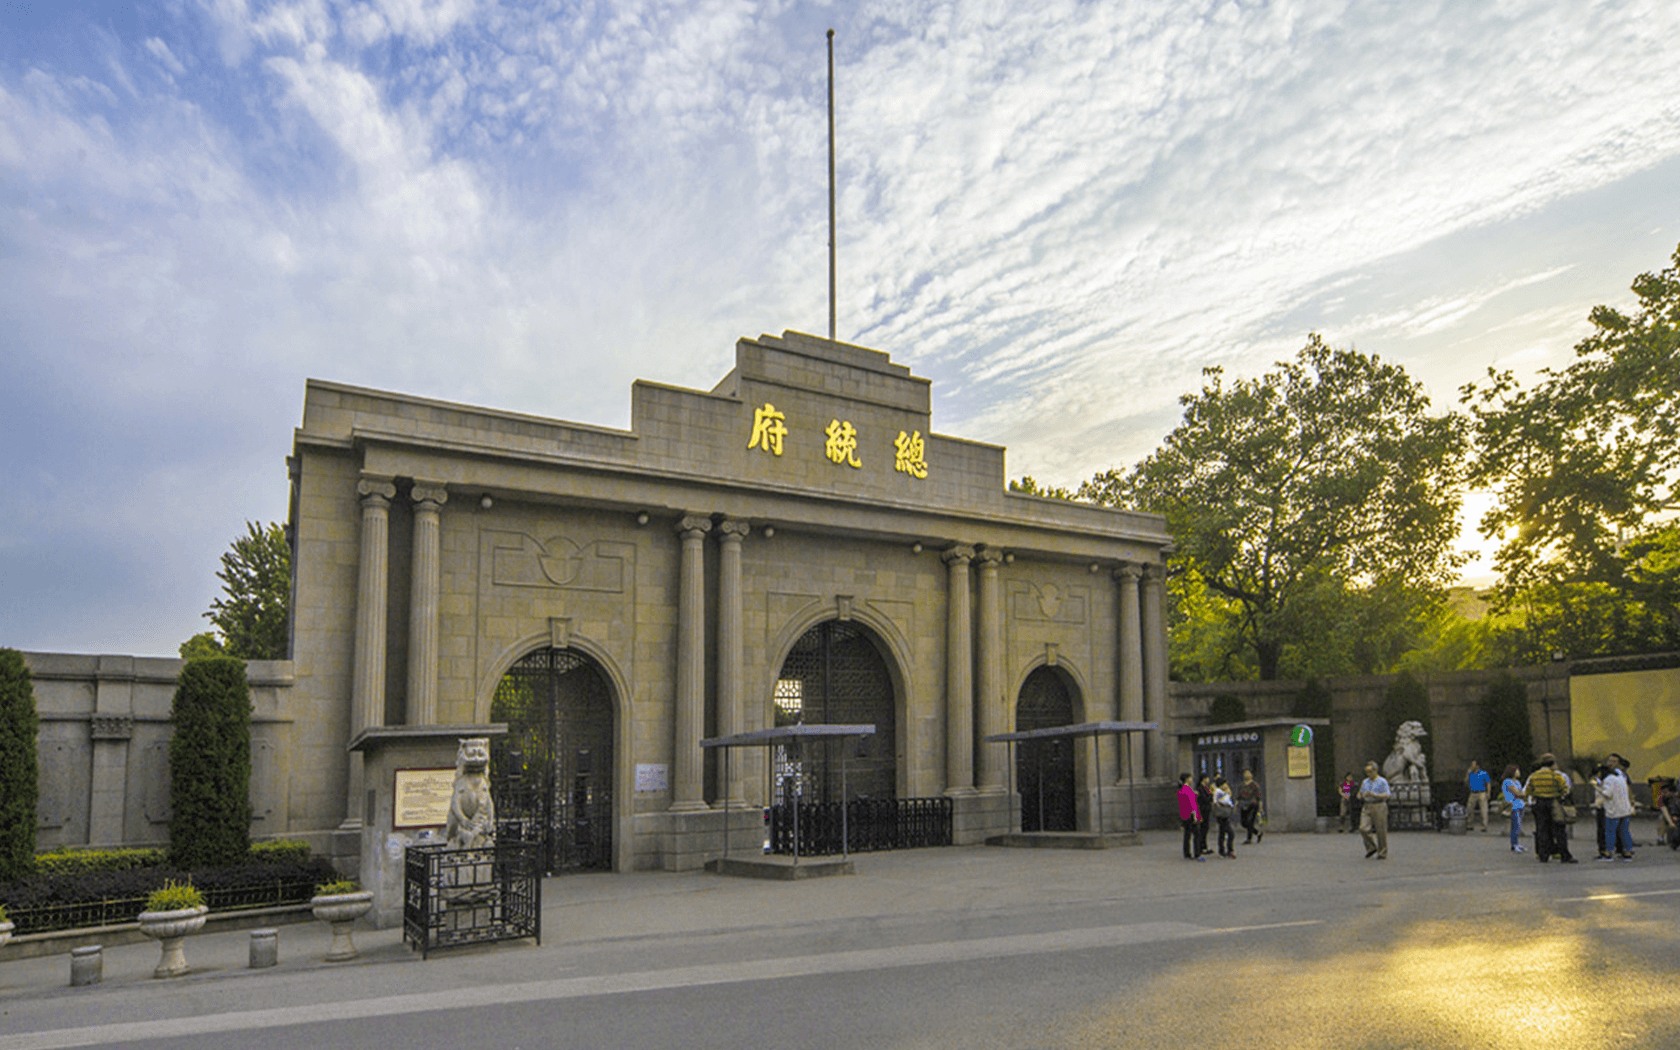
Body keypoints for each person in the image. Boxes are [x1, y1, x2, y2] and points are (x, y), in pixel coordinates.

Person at [1523, 753, 1577, 864]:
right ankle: (1564, 854)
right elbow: (1565, 790)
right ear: (1552, 764)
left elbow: (1528, 791)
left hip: (1539, 803)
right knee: (1559, 829)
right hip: (1554, 802)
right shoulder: (1556, 776)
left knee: (1542, 829)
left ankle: (1543, 855)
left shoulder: (1534, 776)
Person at [1596, 762, 1635, 861]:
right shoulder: (1620, 778)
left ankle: (1609, 853)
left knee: (1610, 831)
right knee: (1624, 831)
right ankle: (1628, 852)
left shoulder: (1609, 780)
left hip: (1614, 810)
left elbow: (1608, 794)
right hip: (1625, 809)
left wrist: (1598, 788)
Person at [1358, 760, 1392, 860]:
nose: (1368, 774)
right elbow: (1360, 792)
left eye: (1370, 771)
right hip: (1367, 805)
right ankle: (1371, 847)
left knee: (1380, 829)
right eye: (1366, 772)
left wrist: (1374, 795)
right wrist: (1360, 795)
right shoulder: (1365, 781)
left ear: (1375, 770)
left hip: (1379, 804)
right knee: (1363, 828)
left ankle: (1382, 852)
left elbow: (1387, 794)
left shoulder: (1382, 781)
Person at [1177, 773, 1204, 861]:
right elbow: (1192, 804)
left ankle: (1187, 853)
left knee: (1187, 834)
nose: (1192, 779)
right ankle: (1197, 853)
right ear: (1187, 779)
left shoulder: (1182, 789)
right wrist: (1195, 815)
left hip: (1184, 815)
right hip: (1191, 815)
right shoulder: (1188, 789)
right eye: (1190, 778)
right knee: (1197, 834)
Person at [1501, 764, 1527, 853]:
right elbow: (1517, 793)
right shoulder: (1507, 782)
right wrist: (1523, 794)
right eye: (1517, 770)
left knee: (1518, 825)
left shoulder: (1518, 782)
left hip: (1520, 805)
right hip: (1513, 805)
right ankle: (1514, 844)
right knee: (1515, 825)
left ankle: (1517, 843)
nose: (1519, 772)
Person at [1237, 768, 1264, 844]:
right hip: (1244, 805)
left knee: (1250, 821)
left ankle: (1249, 839)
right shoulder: (1241, 785)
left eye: (1248, 773)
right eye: (1245, 773)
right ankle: (1257, 833)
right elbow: (1239, 796)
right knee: (1244, 823)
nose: (1247, 775)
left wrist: (1260, 807)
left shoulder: (1255, 785)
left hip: (1253, 804)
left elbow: (1259, 796)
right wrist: (1236, 804)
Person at [1213, 776, 1237, 858]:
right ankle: (1229, 849)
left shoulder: (1220, 792)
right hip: (1222, 815)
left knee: (1222, 832)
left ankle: (1222, 850)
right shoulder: (1218, 792)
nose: (1226, 785)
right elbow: (1225, 801)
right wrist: (1228, 794)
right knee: (1230, 833)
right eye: (1225, 784)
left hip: (1223, 815)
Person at [1465, 760, 1492, 832]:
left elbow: (1488, 783)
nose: (1471, 766)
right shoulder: (1470, 774)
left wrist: (1488, 792)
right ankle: (1469, 824)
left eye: (1473, 765)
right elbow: (1466, 782)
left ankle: (1484, 826)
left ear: (1477, 766)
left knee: (1483, 810)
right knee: (1469, 808)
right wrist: (1467, 774)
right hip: (1473, 792)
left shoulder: (1483, 773)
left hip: (1481, 792)